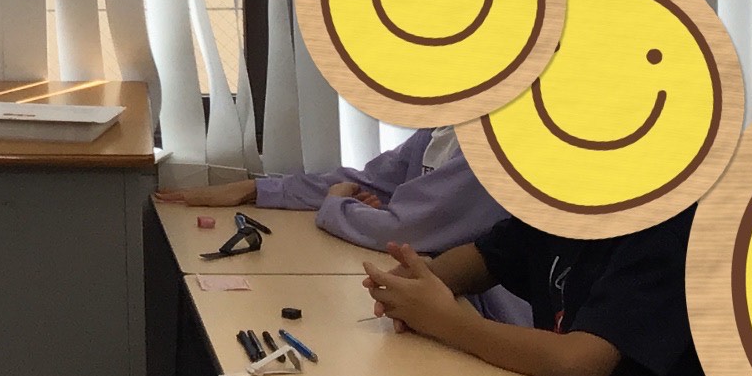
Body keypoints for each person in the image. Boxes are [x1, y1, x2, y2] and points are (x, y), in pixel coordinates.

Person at [360, 208, 722, 376]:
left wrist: (446, 320)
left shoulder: (669, 228)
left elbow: (577, 367)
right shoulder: (564, 208)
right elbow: (480, 260)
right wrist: (417, 284)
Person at [158, 126, 530, 322]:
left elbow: (401, 230)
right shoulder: (442, 128)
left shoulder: (497, 143)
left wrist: (337, 205)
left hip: (491, 319)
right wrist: (254, 189)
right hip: (435, 297)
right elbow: (370, 181)